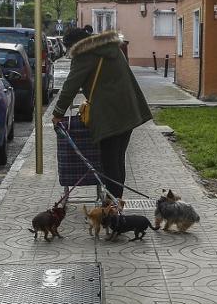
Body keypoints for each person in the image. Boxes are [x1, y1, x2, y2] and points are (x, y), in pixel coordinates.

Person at [51, 27, 152, 199]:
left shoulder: (84, 54)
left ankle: (112, 209)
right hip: (128, 110)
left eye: (68, 49)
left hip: (109, 115)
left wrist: (58, 113)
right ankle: (115, 203)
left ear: (74, 45)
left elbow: (70, 86)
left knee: (109, 163)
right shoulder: (112, 48)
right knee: (117, 159)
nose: (69, 53)